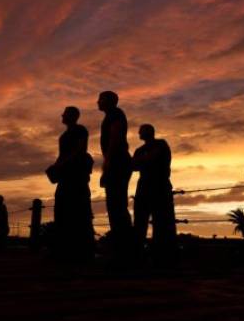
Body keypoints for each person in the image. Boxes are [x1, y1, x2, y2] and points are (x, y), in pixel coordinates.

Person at [46, 106, 95, 261]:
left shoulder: (80, 130)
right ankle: (63, 249)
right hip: (65, 176)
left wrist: (61, 165)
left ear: (73, 116)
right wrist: (55, 168)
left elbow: (80, 150)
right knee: (62, 209)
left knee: (80, 211)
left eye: (65, 114)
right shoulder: (63, 136)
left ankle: (83, 251)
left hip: (77, 175)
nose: (62, 115)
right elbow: (61, 155)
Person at [132, 124, 177, 263]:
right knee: (140, 222)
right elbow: (134, 166)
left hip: (160, 187)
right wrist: (147, 159)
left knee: (162, 223)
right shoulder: (140, 150)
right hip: (144, 188)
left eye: (142, 130)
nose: (140, 132)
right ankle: (139, 255)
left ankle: (162, 255)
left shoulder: (161, 144)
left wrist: (144, 160)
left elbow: (140, 163)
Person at [97, 91, 133, 263]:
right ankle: (122, 248)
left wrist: (107, 164)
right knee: (115, 205)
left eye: (100, 98)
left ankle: (124, 250)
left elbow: (115, 138)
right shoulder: (111, 116)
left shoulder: (116, 114)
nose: (97, 101)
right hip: (117, 163)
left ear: (109, 101)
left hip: (118, 163)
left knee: (117, 205)